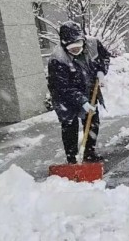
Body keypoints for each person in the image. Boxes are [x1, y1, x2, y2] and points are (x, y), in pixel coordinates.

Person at [47, 21, 110, 164]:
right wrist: (81, 101)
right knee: (69, 125)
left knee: (92, 121)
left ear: (83, 40)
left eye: (78, 46)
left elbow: (104, 56)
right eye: (71, 48)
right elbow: (62, 87)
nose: (75, 50)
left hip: (88, 88)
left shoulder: (93, 44)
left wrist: (101, 71)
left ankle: (89, 153)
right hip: (64, 97)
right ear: (64, 45)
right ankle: (73, 159)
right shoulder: (57, 59)